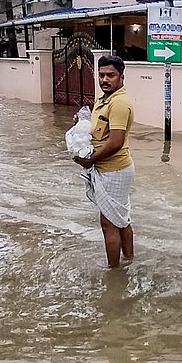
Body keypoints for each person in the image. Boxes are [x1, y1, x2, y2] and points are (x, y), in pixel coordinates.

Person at [75, 55, 135, 268]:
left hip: (114, 170)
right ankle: (129, 261)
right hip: (111, 169)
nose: (105, 79)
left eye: (111, 75)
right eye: (101, 75)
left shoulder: (119, 103)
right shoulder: (104, 99)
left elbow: (116, 142)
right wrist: (82, 124)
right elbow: (100, 132)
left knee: (109, 222)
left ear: (121, 77)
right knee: (120, 219)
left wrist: (88, 160)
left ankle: (114, 272)